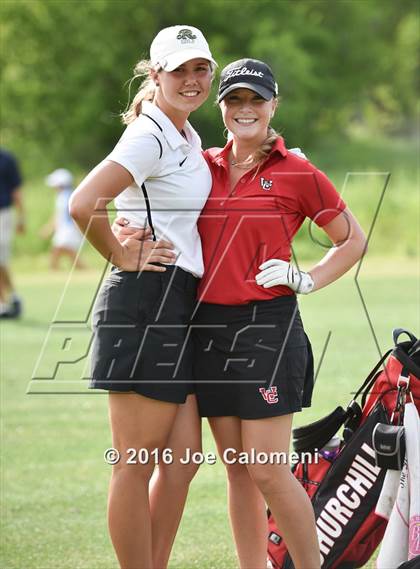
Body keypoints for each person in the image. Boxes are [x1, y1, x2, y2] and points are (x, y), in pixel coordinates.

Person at [113, 58, 367, 569]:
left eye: (257, 100)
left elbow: (352, 240)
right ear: (222, 106)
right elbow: (146, 201)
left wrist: (308, 278)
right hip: (205, 329)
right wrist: (124, 230)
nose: (245, 109)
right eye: (234, 99)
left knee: (269, 469)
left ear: (274, 105)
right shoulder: (200, 164)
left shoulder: (298, 172)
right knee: (237, 470)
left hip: (266, 330)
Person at [69, 25, 217, 569]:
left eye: (200, 68)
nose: (192, 80)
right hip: (143, 300)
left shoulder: (183, 133)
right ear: (154, 75)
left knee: (182, 461)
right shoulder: (149, 135)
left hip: (175, 301)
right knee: (135, 462)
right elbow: (85, 203)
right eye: (179, 70)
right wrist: (121, 253)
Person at [41, 168, 84, 270]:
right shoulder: (61, 196)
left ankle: (54, 270)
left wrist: (79, 229)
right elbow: (58, 215)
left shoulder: (68, 196)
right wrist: (49, 228)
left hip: (69, 228)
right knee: (66, 251)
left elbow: (72, 213)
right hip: (64, 228)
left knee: (59, 249)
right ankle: (81, 269)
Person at [0, 148, 25, 319]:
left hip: (3, 213)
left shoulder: (6, 159)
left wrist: (21, 216)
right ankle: (5, 302)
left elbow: (16, 191)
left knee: (1, 258)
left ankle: (11, 297)